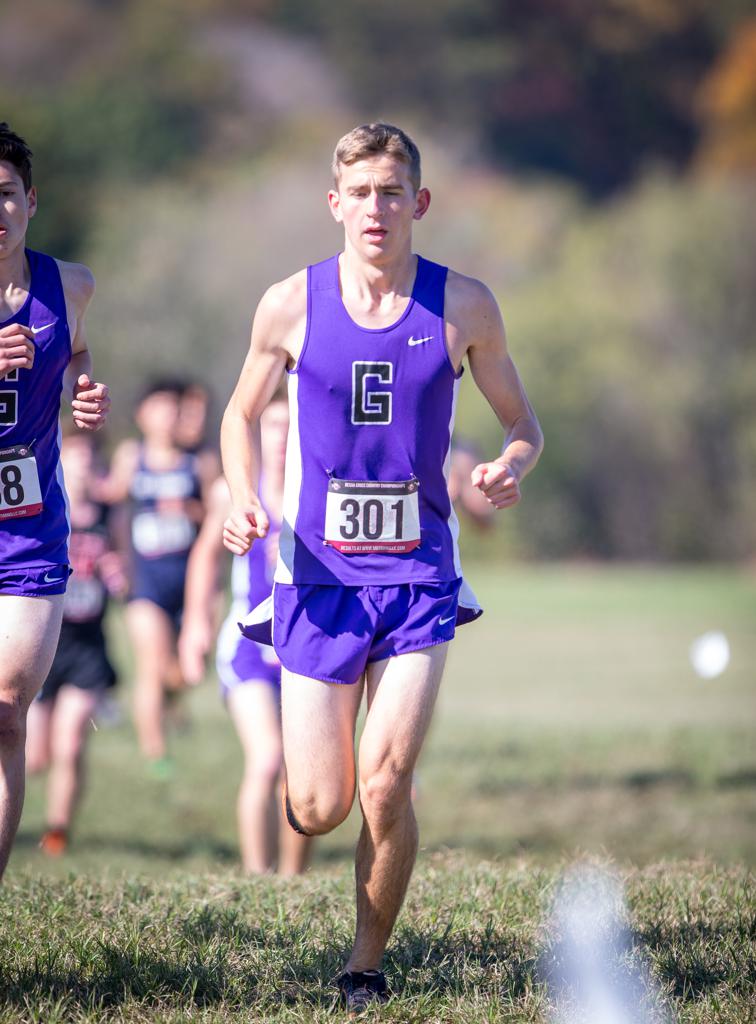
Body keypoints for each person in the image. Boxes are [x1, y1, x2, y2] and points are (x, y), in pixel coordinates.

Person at [220, 123, 543, 1010]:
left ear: (419, 203)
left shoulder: (462, 306)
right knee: (320, 805)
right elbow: (239, 414)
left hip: (417, 576)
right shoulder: (289, 304)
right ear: (335, 205)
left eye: (392, 191)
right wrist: (244, 493)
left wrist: (506, 469)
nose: (376, 208)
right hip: (317, 577)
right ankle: (313, 801)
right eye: (359, 193)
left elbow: (525, 425)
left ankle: (365, 966)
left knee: (386, 781)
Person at [0, 122, 110, 881]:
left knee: (8, 711)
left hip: (30, 529)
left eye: (5, 195)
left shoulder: (69, 284)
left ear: (30, 201)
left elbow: (72, 351)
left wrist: (83, 392)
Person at [179, 393, 311, 875]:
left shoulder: (317, 491)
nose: (281, 437)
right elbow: (205, 556)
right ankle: (258, 877)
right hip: (248, 648)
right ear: (257, 431)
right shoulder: (232, 492)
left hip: (307, 648)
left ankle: (293, 880)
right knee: (268, 757)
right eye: (273, 425)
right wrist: (195, 623)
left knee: (306, 773)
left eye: (292, 425)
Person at [106, 379, 214, 775]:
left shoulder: (198, 461)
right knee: (151, 665)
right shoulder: (131, 456)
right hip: (145, 581)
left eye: (174, 408)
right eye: (160, 407)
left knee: (186, 671)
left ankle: (172, 698)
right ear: (143, 415)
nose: (169, 415)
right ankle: (156, 753)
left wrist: (189, 510)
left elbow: (215, 516)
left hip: (190, 582)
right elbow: (110, 503)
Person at [25, 432, 125, 855]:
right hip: (41, 639)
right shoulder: (45, 506)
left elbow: (127, 580)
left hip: (87, 647)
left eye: (88, 460)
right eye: (73, 459)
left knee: (71, 744)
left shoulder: (108, 514)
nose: (82, 468)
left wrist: (114, 570)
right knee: (35, 757)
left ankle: (57, 832)